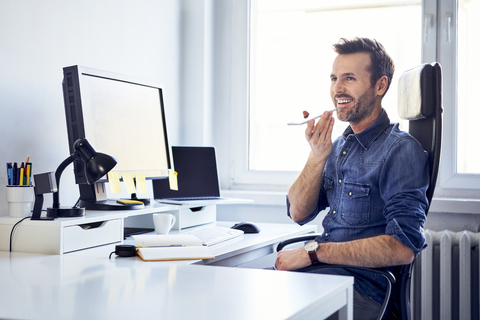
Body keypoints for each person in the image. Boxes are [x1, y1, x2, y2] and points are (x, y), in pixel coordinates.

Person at [275, 37, 429, 319]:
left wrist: (312, 253)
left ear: (380, 85)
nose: (337, 89)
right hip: (324, 276)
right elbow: (297, 212)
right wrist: (317, 156)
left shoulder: (400, 150)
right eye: (334, 78)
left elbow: (403, 247)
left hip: (363, 290)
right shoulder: (337, 147)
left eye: (349, 78)